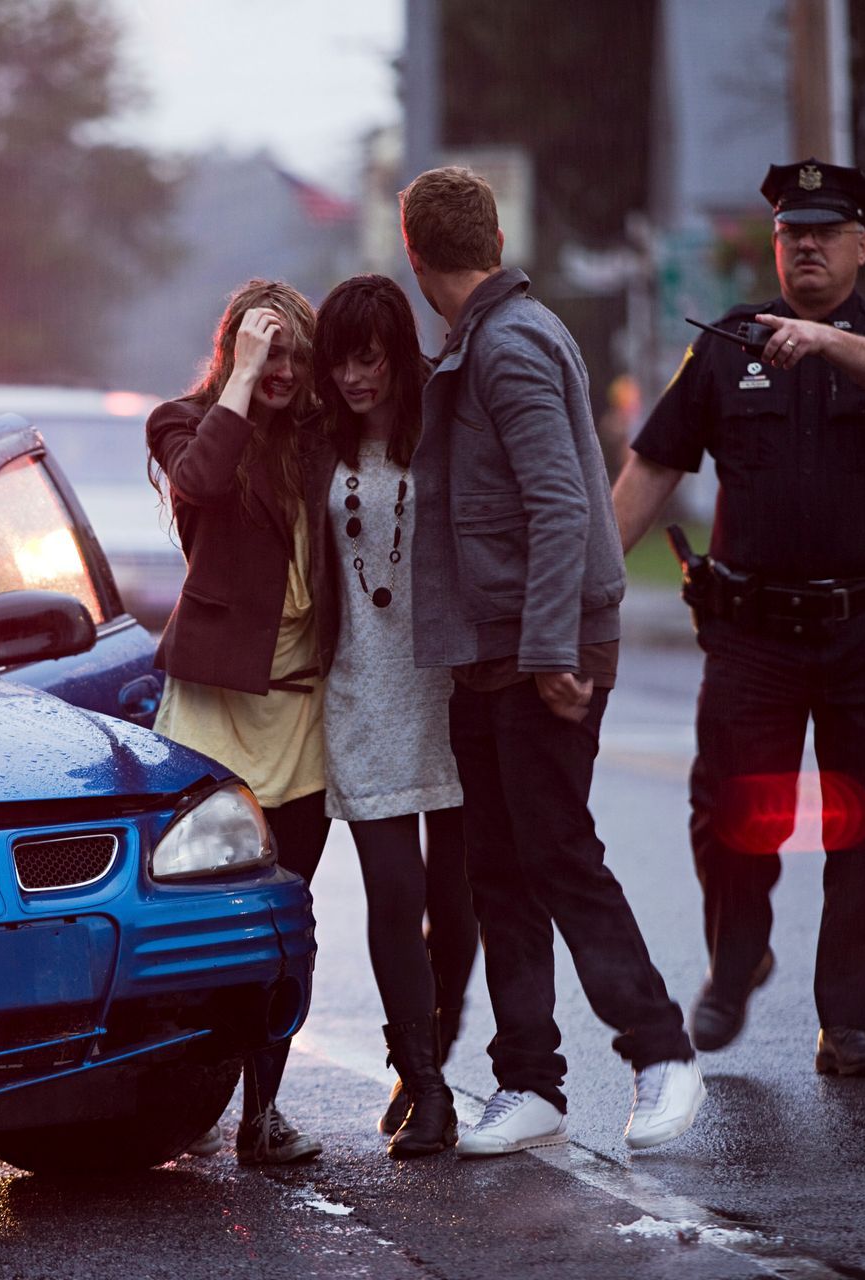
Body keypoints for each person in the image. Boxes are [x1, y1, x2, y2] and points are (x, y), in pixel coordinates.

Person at [611, 159, 865, 1077]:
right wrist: (585, 590)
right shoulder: (725, 343)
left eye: (825, 232)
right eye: (791, 232)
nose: (805, 245)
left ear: (861, 246)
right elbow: (653, 466)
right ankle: (738, 956)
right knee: (727, 808)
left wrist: (826, 342)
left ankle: (852, 1020)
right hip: (754, 632)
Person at [400, 165, 704, 1155]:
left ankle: (663, 1052)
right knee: (503, 871)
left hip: (541, 651)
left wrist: (549, 649)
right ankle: (530, 1079)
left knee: (560, 854)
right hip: (493, 654)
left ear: (415, 256)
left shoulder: (513, 343)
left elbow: (562, 505)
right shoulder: (487, 335)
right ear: (490, 239)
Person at [147, 279, 337, 1164]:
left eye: (296, 354)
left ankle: (264, 1113)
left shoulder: (322, 438)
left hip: (302, 715)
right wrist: (240, 379)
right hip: (215, 718)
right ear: (231, 355)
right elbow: (201, 482)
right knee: (201, 924)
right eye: (267, 354)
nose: (284, 372)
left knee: (281, 924)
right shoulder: (183, 423)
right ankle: (175, 1097)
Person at [313, 274, 475, 1159]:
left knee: (454, 906)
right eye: (338, 362)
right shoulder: (316, 448)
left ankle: (428, 1058)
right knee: (394, 894)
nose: (352, 378)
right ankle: (428, 1086)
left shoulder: (444, 436)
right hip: (359, 698)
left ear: (398, 358)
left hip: (446, 692)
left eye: (368, 358)